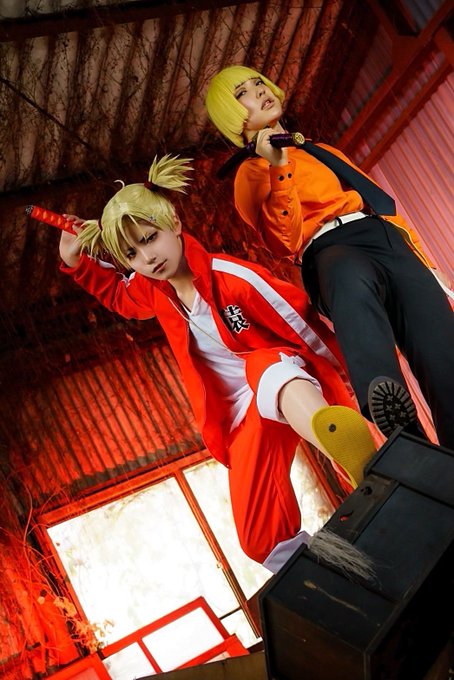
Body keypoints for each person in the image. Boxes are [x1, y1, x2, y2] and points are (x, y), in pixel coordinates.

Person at [58, 154, 377, 572]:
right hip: (242, 420)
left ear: (174, 223)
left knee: (265, 367)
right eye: (133, 254)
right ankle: (328, 578)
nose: (147, 257)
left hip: (288, 382)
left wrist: (356, 379)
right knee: (259, 539)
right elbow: (119, 296)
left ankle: (349, 452)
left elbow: (302, 324)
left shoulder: (235, 279)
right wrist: (75, 262)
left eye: (150, 238)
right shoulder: (153, 292)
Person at [205, 65, 454, 450]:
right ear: (230, 115)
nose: (259, 91)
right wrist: (278, 166)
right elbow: (284, 240)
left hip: (382, 236)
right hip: (328, 250)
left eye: (259, 83)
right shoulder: (248, 176)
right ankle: (401, 431)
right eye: (243, 93)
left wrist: (428, 265)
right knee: (348, 276)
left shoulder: (321, 151)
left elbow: (381, 207)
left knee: (442, 350)